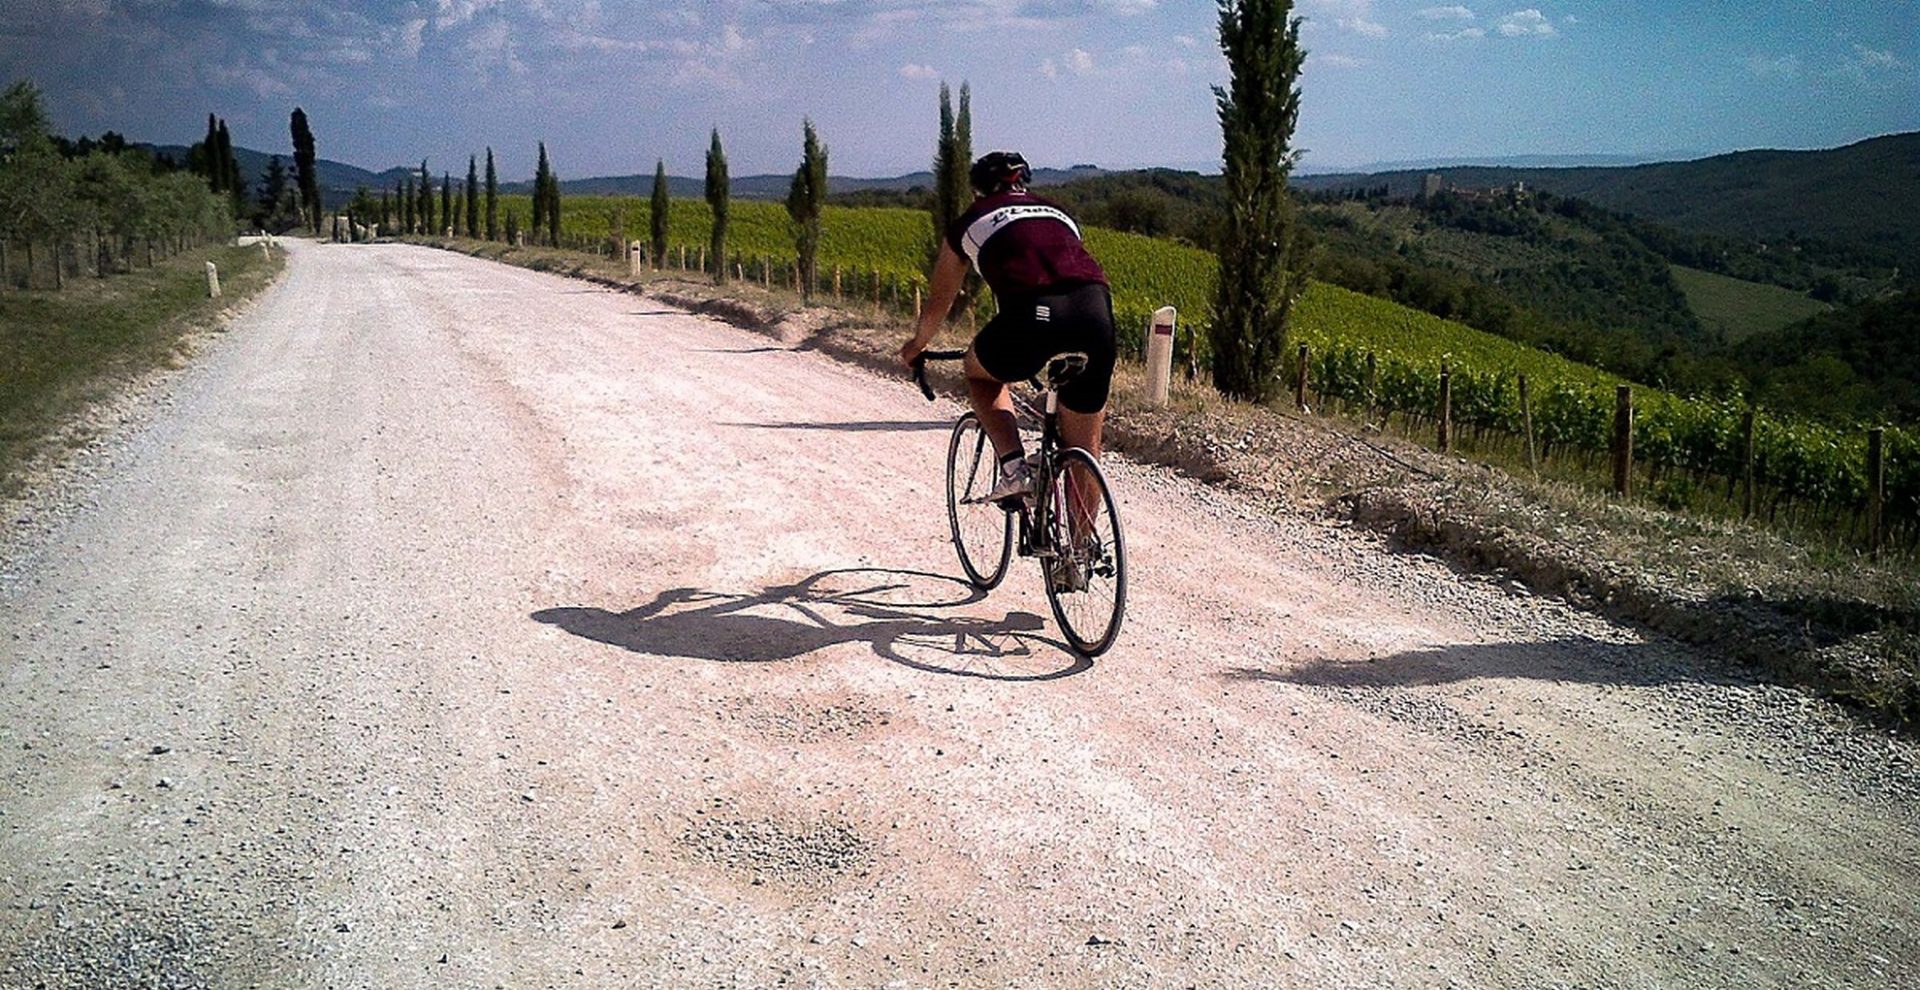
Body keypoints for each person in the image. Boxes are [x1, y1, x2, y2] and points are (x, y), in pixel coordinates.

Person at [897, 151, 1117, 504]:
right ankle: (1083, 539)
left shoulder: (970, 221)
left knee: (980, 373)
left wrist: (916, 345)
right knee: (1084, 448)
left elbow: (940, 301)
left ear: (976, 191)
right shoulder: (1058, 212)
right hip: (1095, 311)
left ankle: (1015, 469)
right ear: (1024, 184)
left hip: (1033, 313)